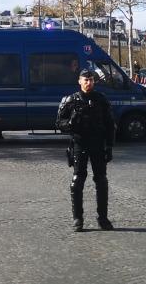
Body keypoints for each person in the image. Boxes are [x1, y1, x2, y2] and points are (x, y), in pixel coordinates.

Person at [56, 69, 116, 232]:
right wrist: (71, 123)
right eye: (86, 80)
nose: (89, 83)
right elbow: (59, 123)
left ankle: (103, 218)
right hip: (79, 143)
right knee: (77, 181)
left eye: (91, 80)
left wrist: (109, 146)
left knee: (102, 181)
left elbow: (110, 124)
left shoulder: (101, 99)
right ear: (79, 81)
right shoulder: (71, 100)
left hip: (98, 143)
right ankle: (78, 218)